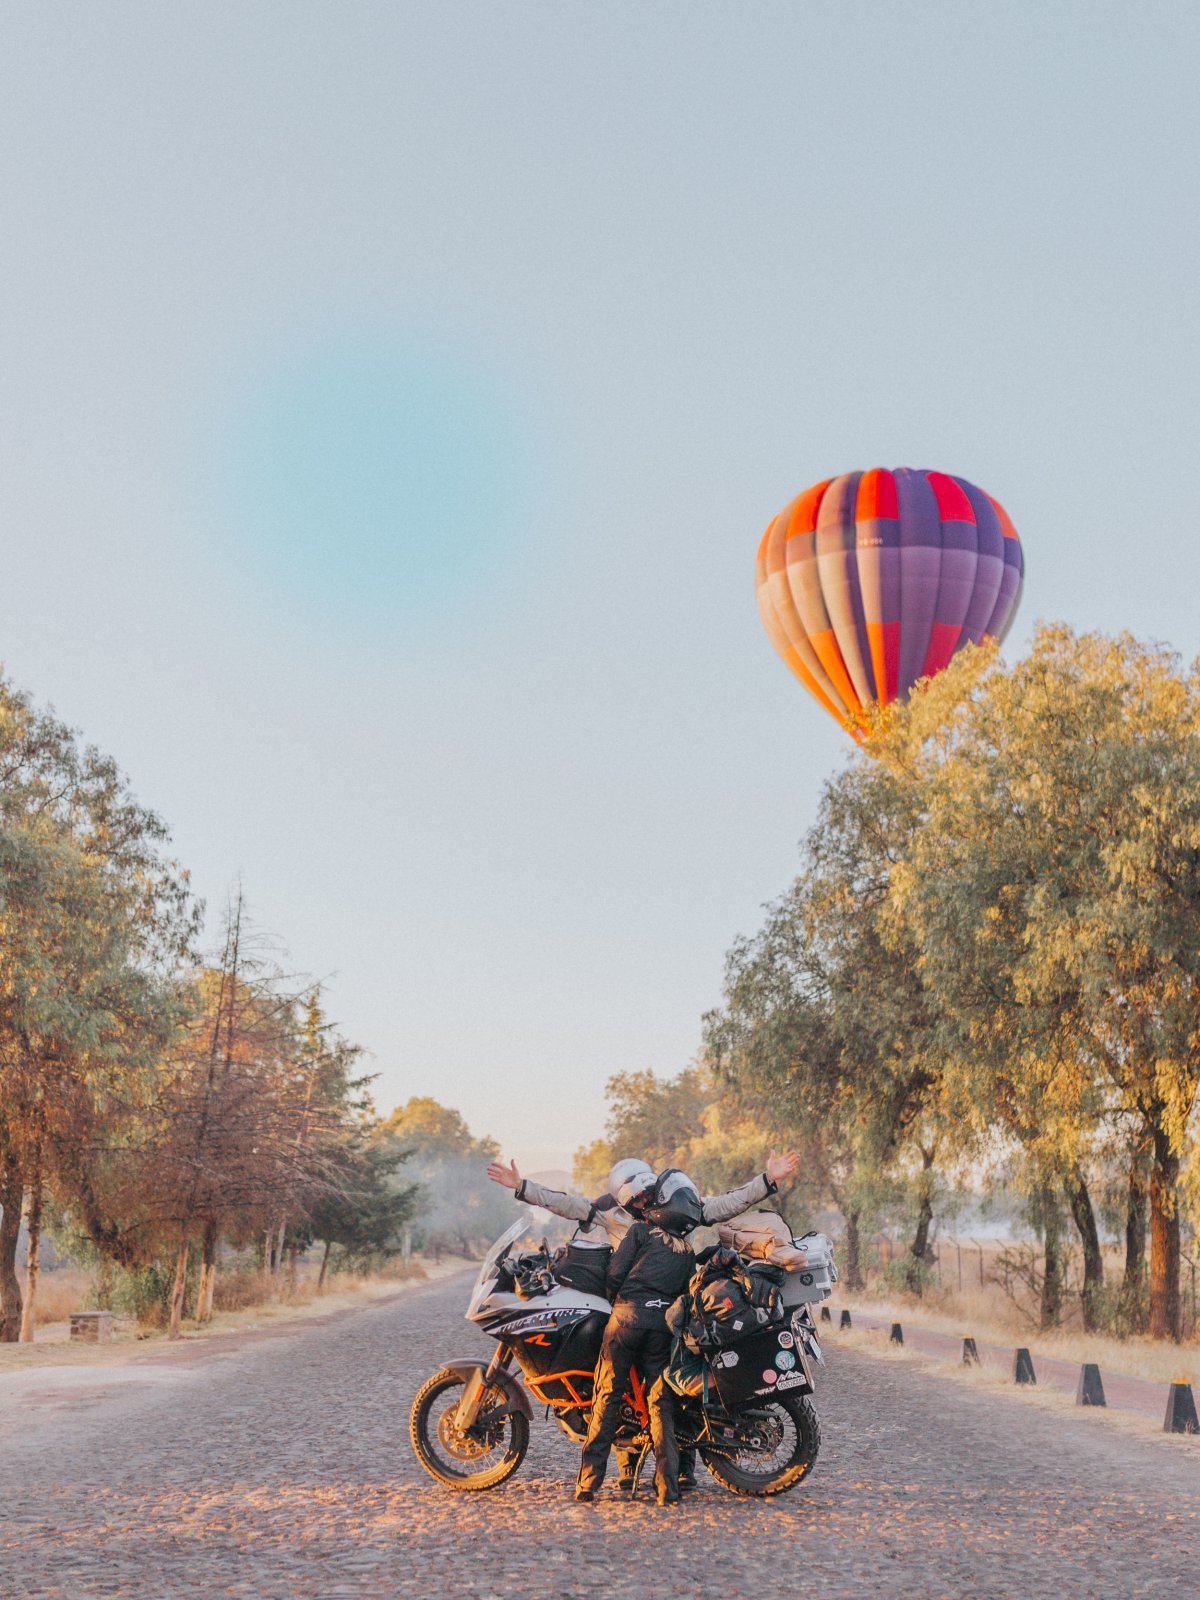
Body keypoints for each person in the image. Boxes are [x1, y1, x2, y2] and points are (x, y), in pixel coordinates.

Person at [485, 1148, 800, 1489]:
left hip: (653, 1308)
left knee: (647, 1388)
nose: (644, 1202)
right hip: (659, 1309)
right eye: (636, 1199)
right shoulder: (609, 1209)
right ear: (623, 1199)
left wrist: (766, 1180)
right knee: (642, 1391)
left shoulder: (676, 1200)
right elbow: (567, 1204)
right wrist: (523, 1187)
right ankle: (634, 1470)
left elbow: (726, 1203)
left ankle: (679, 1469)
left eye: (647, 1194)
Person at [575, 1169, 695, 1506]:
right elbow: (685, 1294)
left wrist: (616, 1299)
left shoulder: (641, 1231)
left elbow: (614, 1273)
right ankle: (668, 1489)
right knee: (661, 1407)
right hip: (661, 1331)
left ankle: (588, 1483)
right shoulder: (687, 1250)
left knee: (607, 1396)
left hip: (626, 1321)